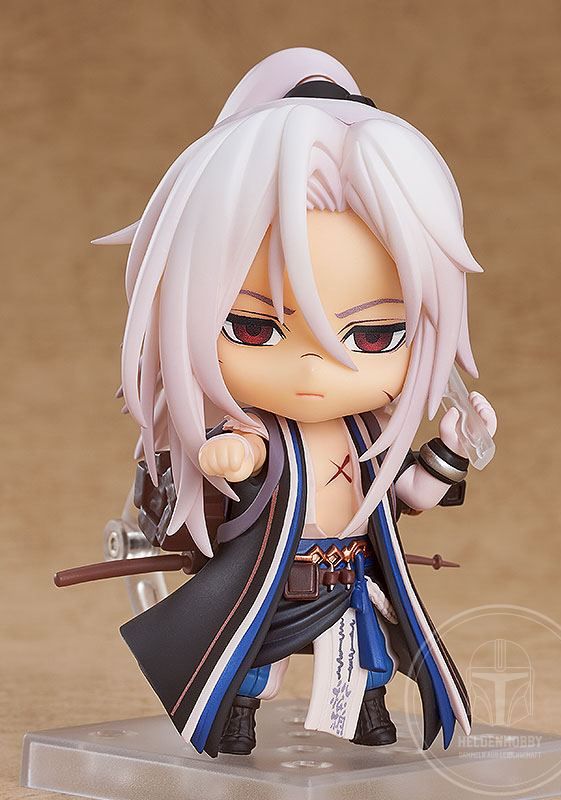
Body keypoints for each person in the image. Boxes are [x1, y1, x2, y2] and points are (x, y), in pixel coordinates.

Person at [96, 47, 497, 758]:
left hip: (351, 577)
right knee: (255, 667)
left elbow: (407, 493)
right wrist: (230, 455)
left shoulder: (364, 436)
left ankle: (369, 717)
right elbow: (241, 466)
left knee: (368, 660)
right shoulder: (264, 435)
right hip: (271, 581)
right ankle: (237, 719)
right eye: (254, 328)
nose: (315, 366)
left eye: (372, 336)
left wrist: (454, 449)